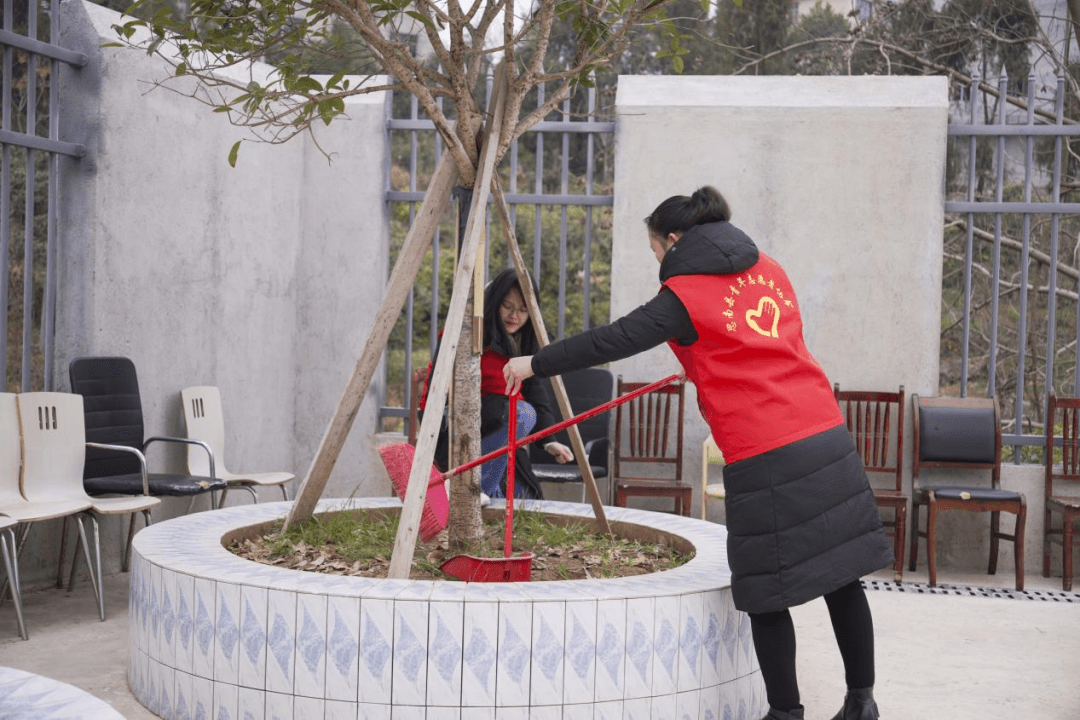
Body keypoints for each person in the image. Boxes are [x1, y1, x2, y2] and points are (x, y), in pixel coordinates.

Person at [503, 186, 891, 720]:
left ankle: (785, 714)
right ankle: (862, 703)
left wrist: (534, 364)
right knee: (841, 575)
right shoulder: (771, 269)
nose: (658, 262)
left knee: (766, 591)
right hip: (825, 431)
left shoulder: (684, 295)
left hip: (765, 450)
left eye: (656, 251)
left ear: (676, 238)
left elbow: (612, 340)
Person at [420, 268, 573, 499]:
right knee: (523, 413)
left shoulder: (526, 342)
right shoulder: (466, 334)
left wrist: (548, 440)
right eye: (507, 307)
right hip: (457, 428)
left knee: (524, 498)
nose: (515, 316)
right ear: (493, 303)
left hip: (501, 437)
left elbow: (535, 391)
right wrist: (431, 426)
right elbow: (436, 385)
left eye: (523, 310)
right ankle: (470, 491)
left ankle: (476, 493)